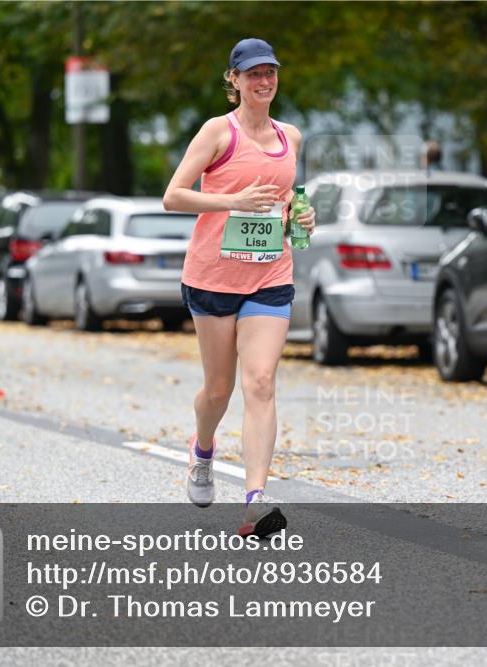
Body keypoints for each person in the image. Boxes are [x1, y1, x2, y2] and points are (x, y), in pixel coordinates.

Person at [161, 38, 315, 539]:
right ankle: (203, 450)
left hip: (270, 275)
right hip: (213, 278)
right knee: (219, 390)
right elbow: (173, 196)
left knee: (262, 382)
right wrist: (234, 200)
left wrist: (302, 217)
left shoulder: (291, 136)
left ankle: (255, 502)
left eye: (270, 72)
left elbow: (285, 204)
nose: (263, 81)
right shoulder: (217, 132)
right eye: (252, 74)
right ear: (234, 79)